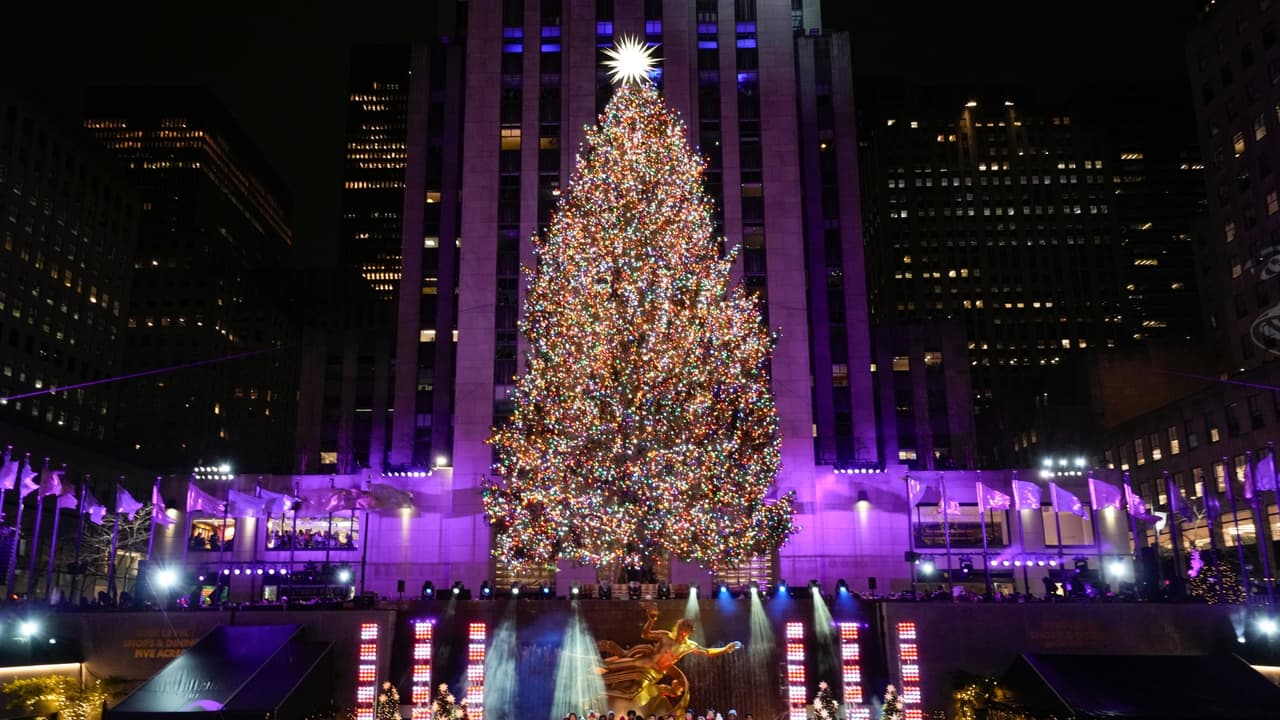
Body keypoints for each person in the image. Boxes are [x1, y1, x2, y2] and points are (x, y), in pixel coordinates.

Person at [598, 604, 742, 716]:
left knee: (632, 693)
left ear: (688, 633)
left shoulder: (688, 646)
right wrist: (651, 619)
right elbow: (645, 634)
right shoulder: (665, 636)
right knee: (610, 666)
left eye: (684, 633)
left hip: (653, 674)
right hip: (644, 662)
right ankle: (590, 667)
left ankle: (600, 694)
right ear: (676, 628)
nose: (681, 635)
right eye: (680, 631)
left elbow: (707, 652)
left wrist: (724, 649)